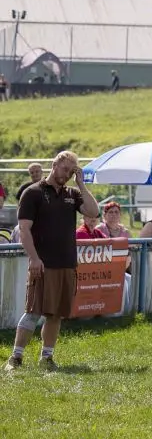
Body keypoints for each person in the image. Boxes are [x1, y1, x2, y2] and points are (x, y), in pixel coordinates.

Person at [8, 151, 99, 371]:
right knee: (33, 311)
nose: (67, 175)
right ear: (54, 164)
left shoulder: (72, 193)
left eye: (71, 171)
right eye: (65, 169)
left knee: (56, 313)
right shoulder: (33, 193)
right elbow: (25, 230)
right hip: (42, 263)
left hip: (66, 262)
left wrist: (82, 185)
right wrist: (34, 258)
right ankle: (15, 358)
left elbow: (93, 212)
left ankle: (46, 358)